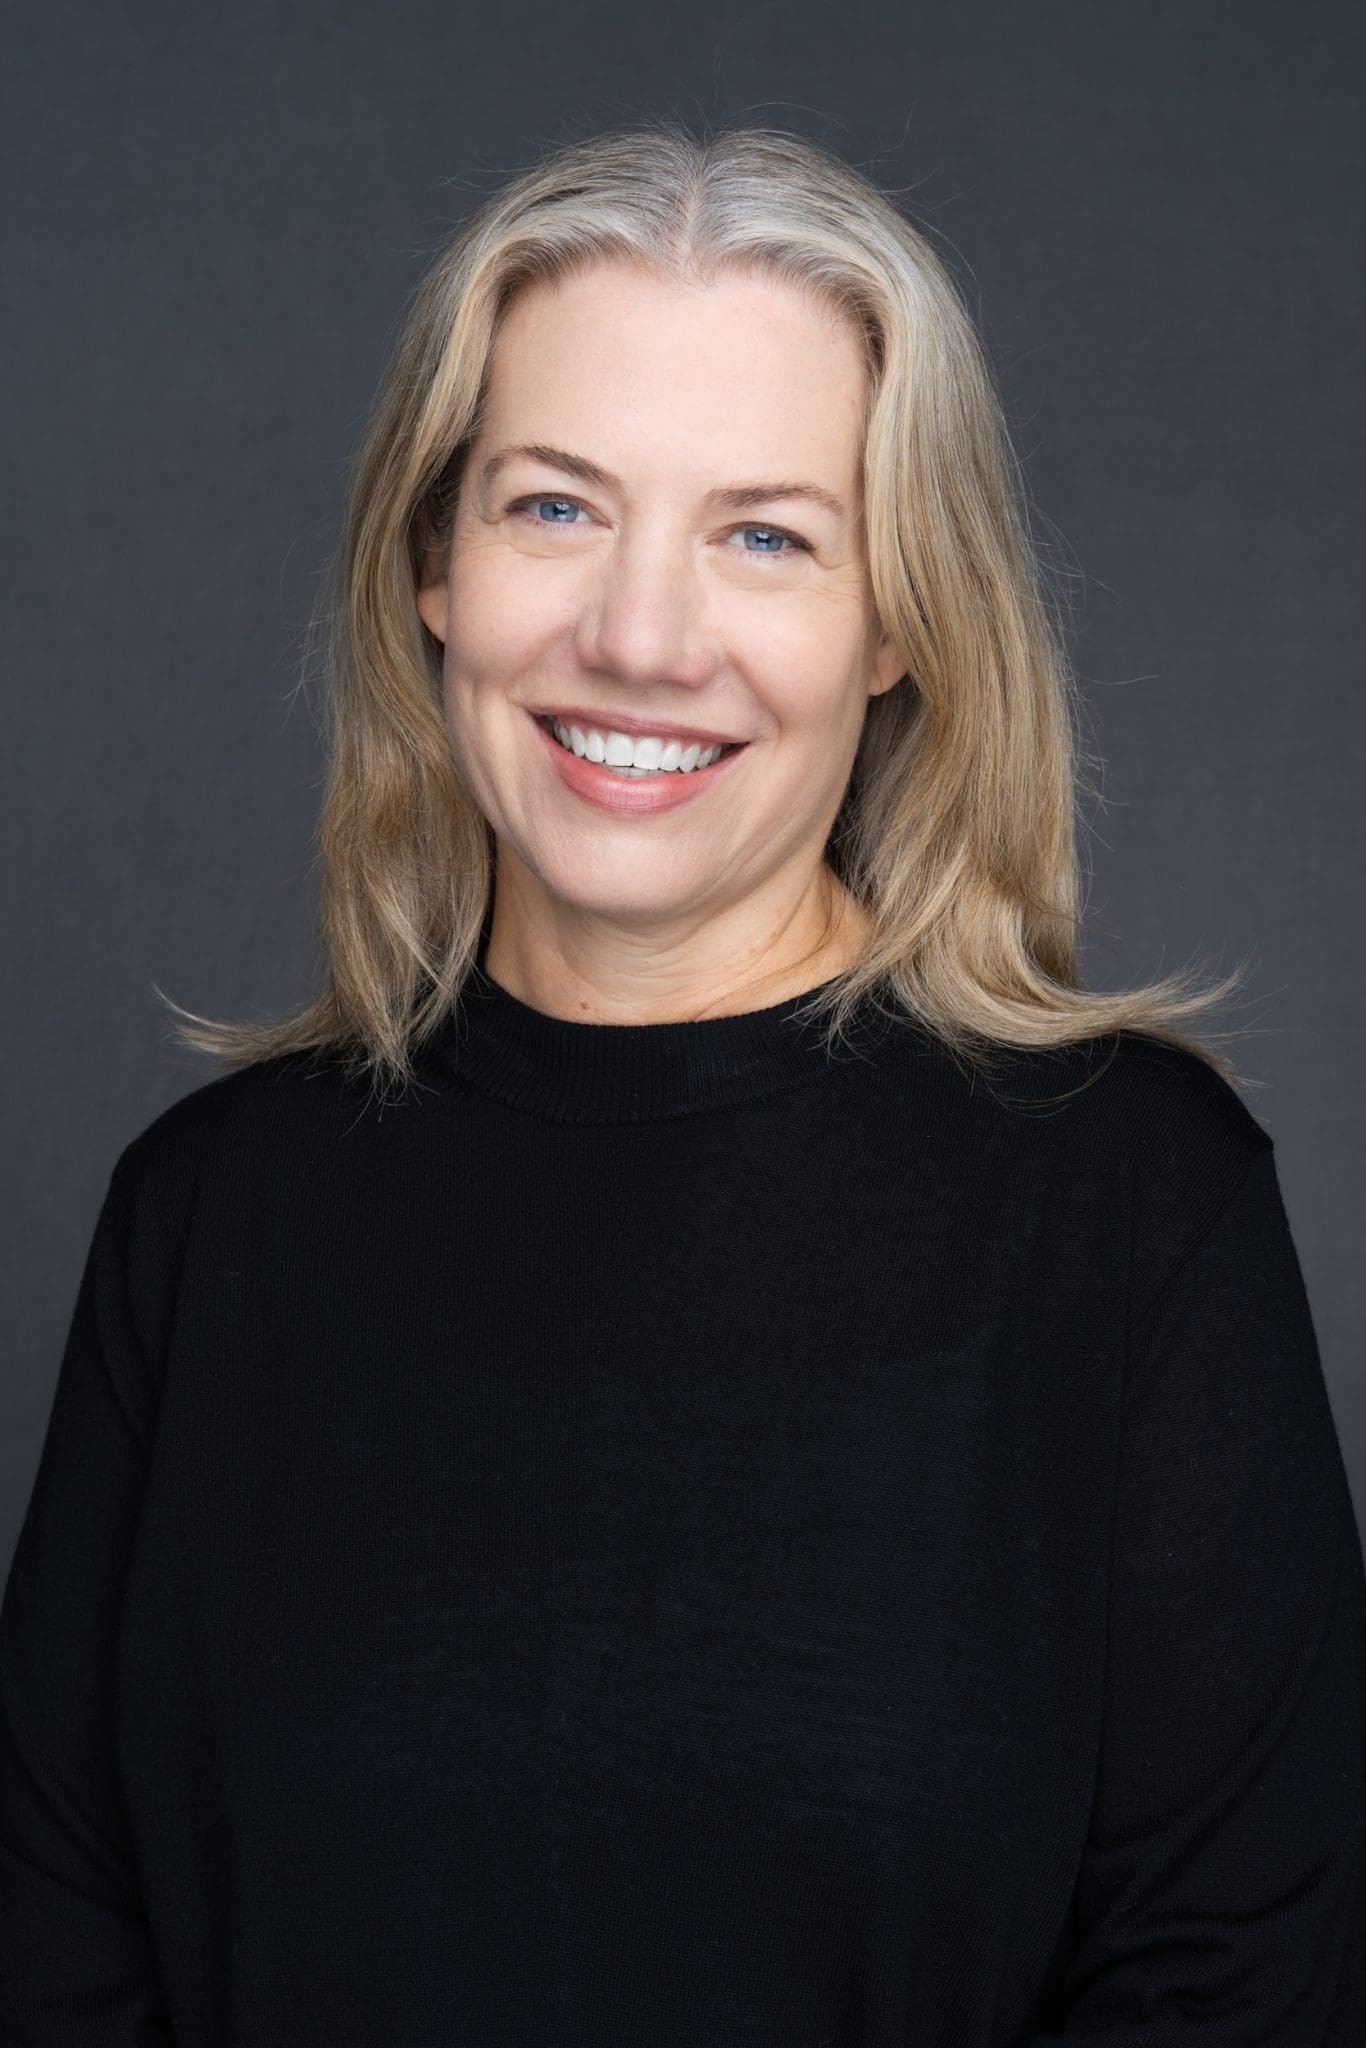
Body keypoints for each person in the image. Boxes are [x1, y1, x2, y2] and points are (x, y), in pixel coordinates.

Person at [2, 120, 1363, 2046]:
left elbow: (1236, 1979)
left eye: (766, 535)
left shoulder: (1133, 1202)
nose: (639, 637)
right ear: (430, 567)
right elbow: (54, 1948)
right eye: (553, 507)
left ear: (899, 622)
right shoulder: (210, 1210)